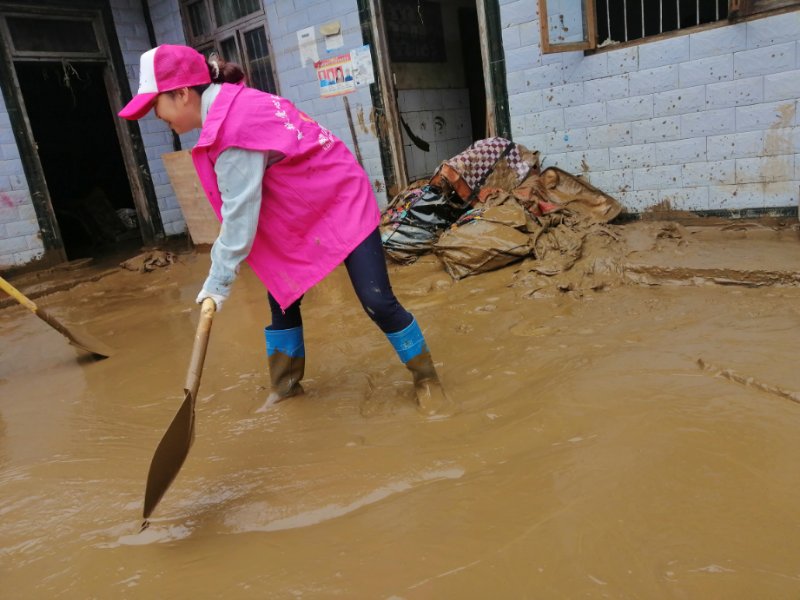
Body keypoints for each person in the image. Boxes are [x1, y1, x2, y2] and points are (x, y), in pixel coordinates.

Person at [118, 45, 448, 413]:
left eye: (156, 107)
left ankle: (426, 377)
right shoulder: (227, 108)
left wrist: (216, 284)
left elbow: (239, 218)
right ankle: (286, 387)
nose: (156, 116)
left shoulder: (234, 128)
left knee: (376, 300)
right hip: (303, 206)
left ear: (181, 94)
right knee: (282, 293)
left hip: (339, 198)